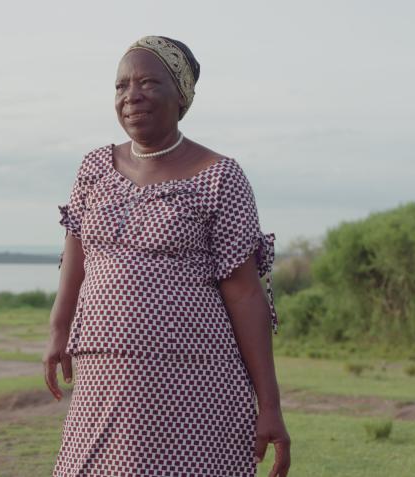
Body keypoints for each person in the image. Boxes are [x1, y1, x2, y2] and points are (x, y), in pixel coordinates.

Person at [44, 35, 291, 477]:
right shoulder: (95, 168)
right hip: (105, 376)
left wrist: (268, 406)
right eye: (121, 86)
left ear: (181, 95)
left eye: (148, 83)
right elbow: (75, 258)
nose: (131, 96)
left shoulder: (220, 178)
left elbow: (246, 296)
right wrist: (58, 331)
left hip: (195, 381)